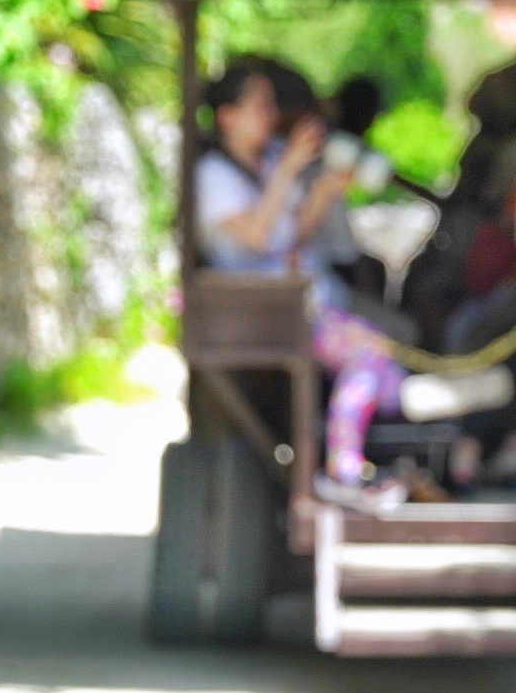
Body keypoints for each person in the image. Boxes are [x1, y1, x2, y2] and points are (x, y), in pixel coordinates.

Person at [196, 61, 511, 506]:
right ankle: (343, 471)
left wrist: (324, 191)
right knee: (366, 357)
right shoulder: (214, 176)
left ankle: (422, 441)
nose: (271, 115)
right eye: (261, 105)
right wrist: (287, 170)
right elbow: (259, 237)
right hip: (265, 313)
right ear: (228, 116)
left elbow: (291, 237)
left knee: (386, 363)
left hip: (308, 303)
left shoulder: (265, 163)